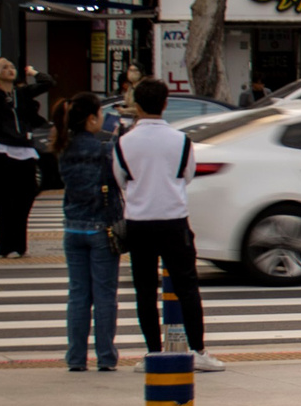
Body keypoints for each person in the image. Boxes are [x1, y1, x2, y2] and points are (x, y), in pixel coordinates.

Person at [114, 78, 223, 371]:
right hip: (174, 221)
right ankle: (198, 351)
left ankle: (153, 352)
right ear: (165, 104)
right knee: (187, 286)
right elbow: (187, 176)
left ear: (137, 106)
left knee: (145, 290)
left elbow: (120, 179)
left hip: (139, 223)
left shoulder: (123, 142)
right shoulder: (181, 140)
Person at [53, 91, 123, 372]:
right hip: (101, 228)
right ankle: (105, 356)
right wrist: (117, 133)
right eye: (100, 114)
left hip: (73, 226)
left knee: (78, 294)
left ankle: (76, 357)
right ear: (92, 118)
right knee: (104, 295)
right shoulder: (104, 149)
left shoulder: (62, 147)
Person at [0, 58, 52, 258]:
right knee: (3, 201)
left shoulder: (22, 93)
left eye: (11, 67)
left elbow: (48, 83)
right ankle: (6, 246)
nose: (10, 70)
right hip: (3, 151)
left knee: (26, 197)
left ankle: (20, 245)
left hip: (26, 151)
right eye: (5, 67)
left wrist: (33, 72)